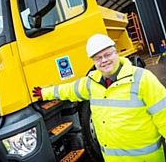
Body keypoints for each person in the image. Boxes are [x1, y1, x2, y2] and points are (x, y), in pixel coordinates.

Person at [32, 33, 166, 161]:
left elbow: (163, 115)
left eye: (107, 54)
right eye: (98, 58)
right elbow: (68, 89)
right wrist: (45, 93)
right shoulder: (91, 83)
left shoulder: (142, 79)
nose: (104, 61)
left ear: (116, 53)